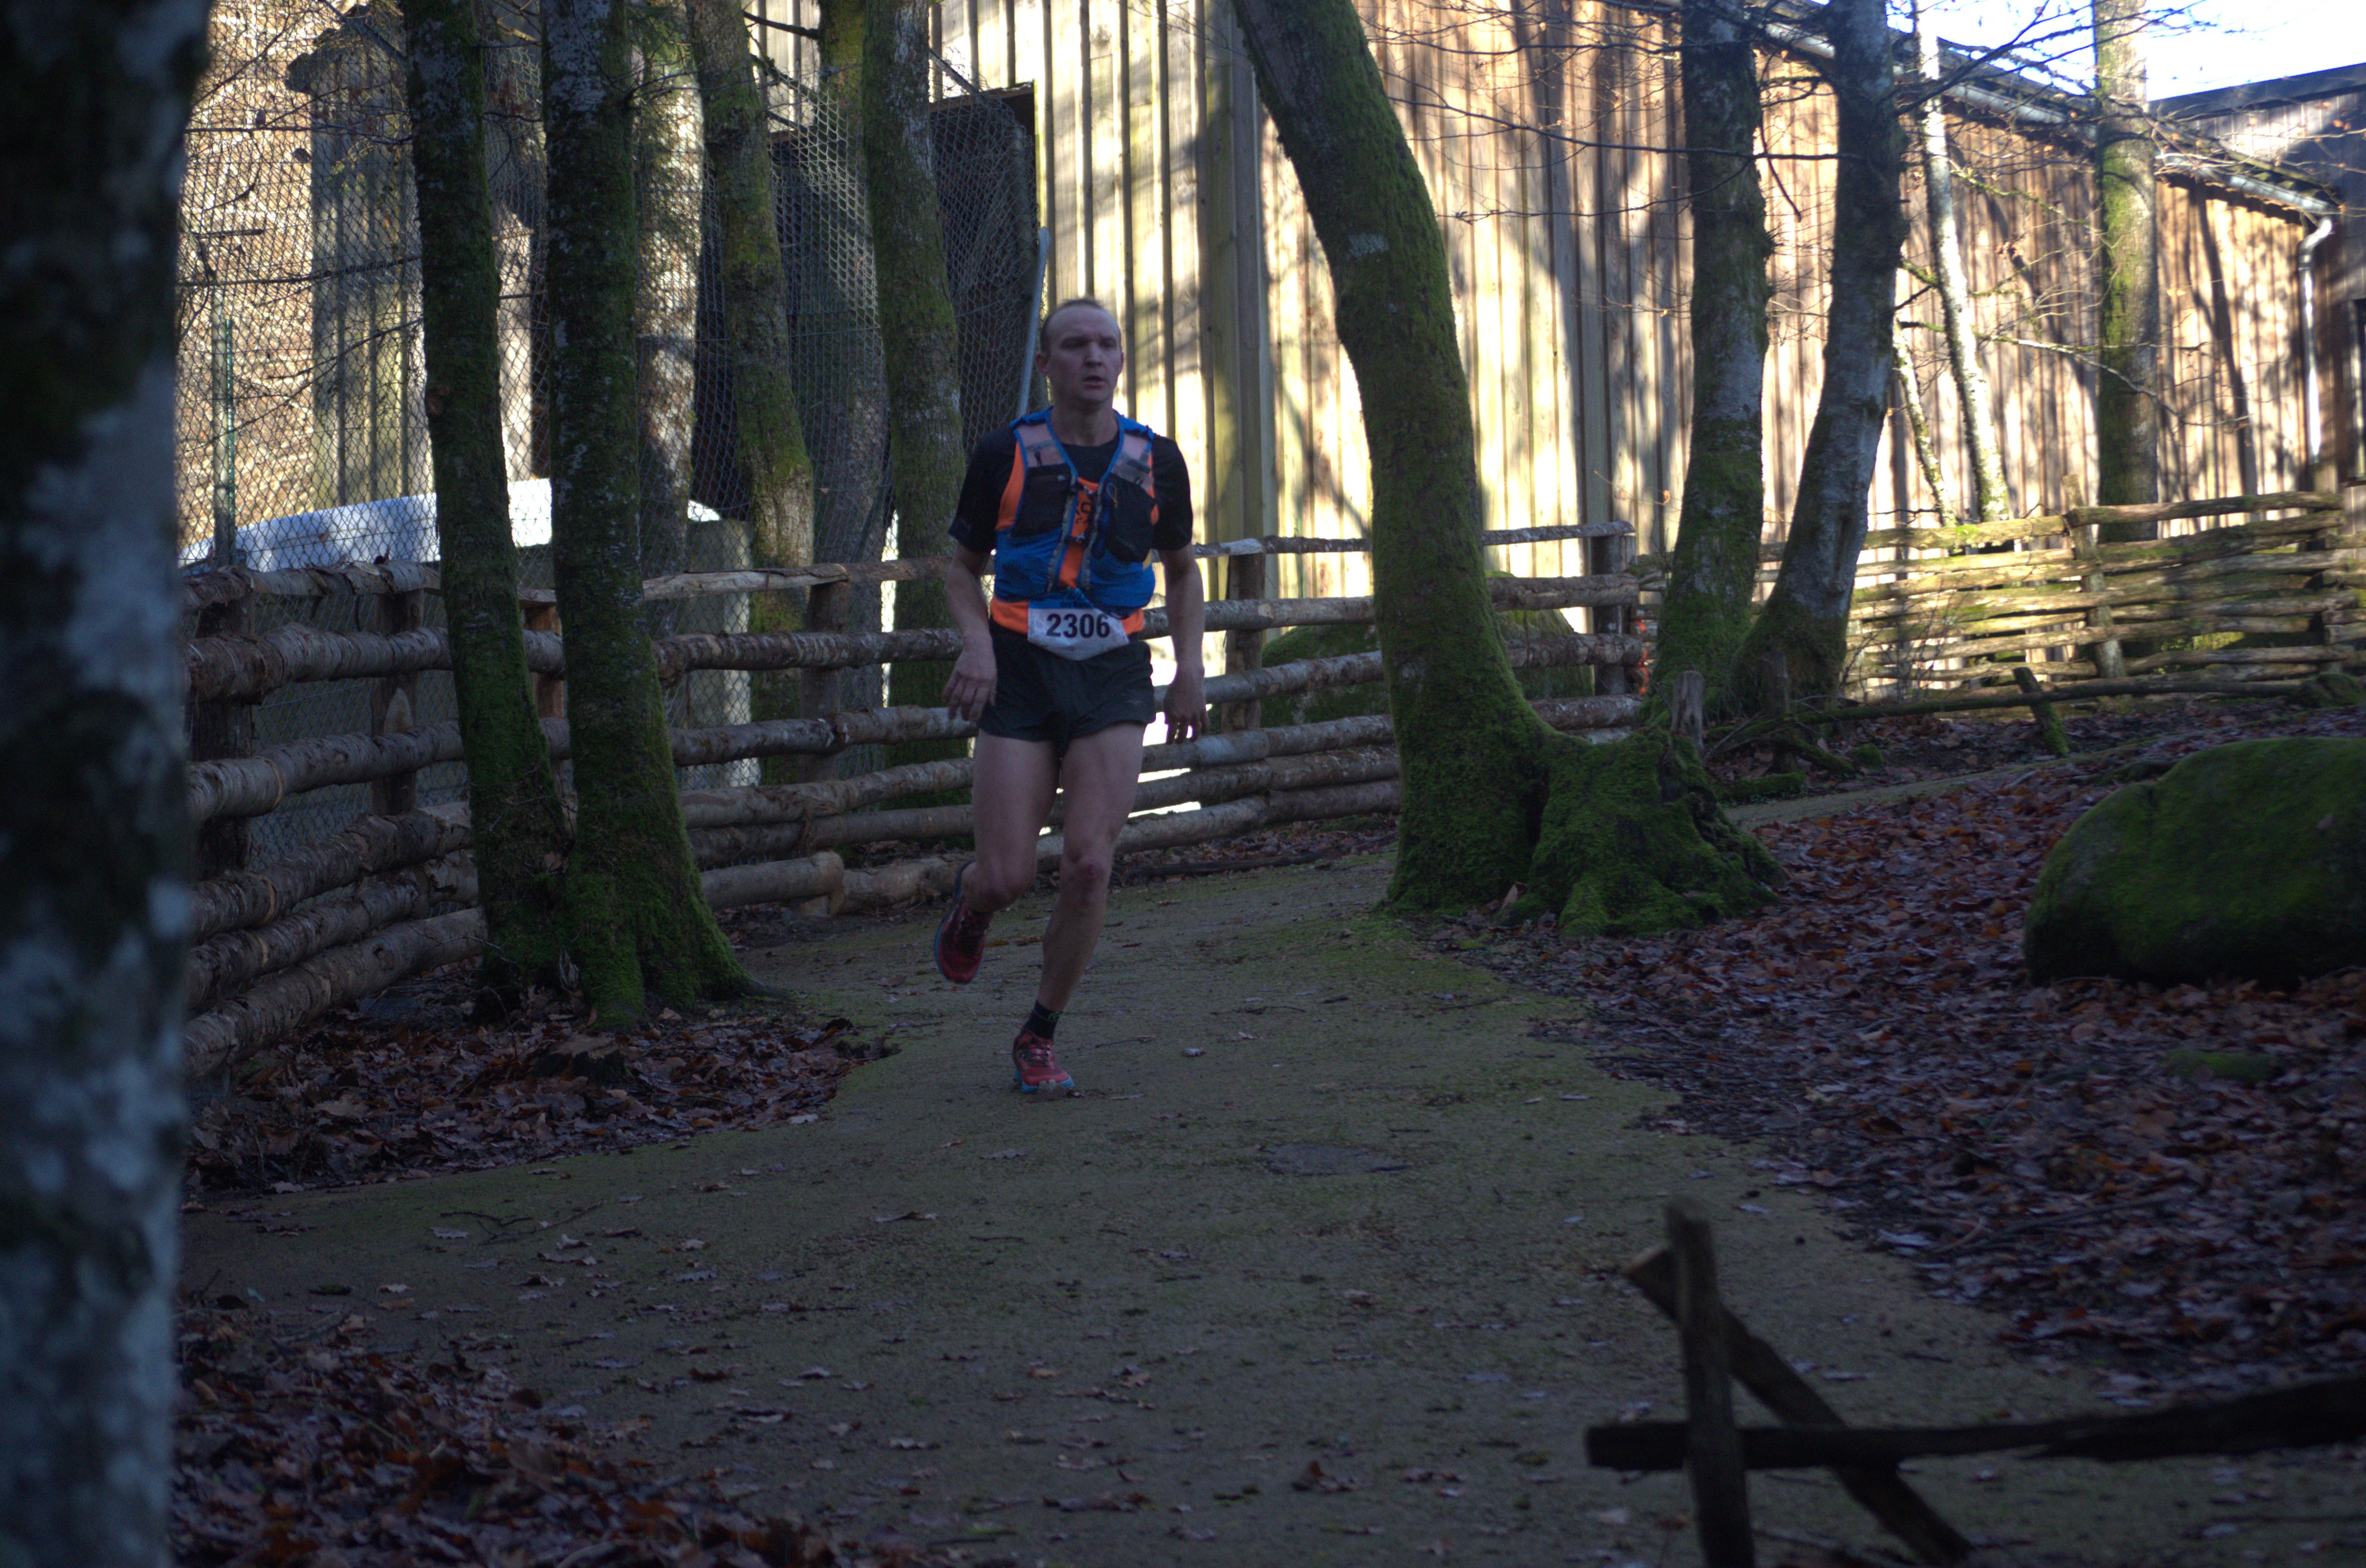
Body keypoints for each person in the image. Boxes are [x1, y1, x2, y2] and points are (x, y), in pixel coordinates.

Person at [933, 298, 1206, 1094]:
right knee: (1008, 876)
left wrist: (1190, 669)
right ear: (1046, 363)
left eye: (1107, 345)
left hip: (1112, 671)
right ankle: (973, 905)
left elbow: (1182, 571)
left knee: (1089, 864)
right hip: (1019, 668)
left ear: (1121, 360)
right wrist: (977, 643)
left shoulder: (1157, 459)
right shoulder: (1003, 453)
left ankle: (1040, 1034)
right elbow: (960, 570)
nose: (1094, 357)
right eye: (1076, 345)